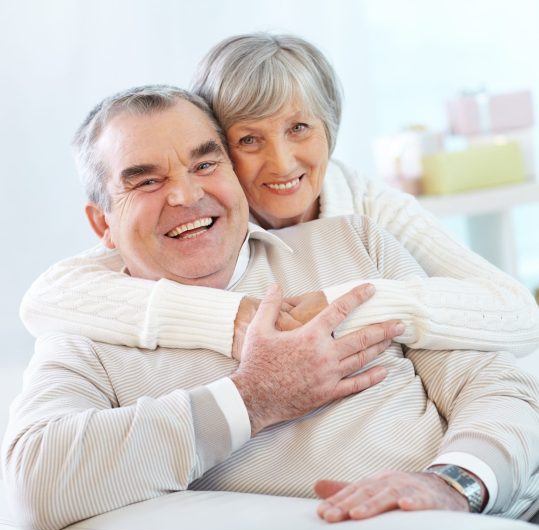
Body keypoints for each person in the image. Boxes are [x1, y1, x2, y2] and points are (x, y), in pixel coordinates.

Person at [3, 86, 538, 530]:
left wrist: (451, 482)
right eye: (146, 180)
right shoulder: (85, 335)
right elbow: (32, 483)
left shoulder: (354, 241)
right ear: (102, 225)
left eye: (205, 163)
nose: (187, 195)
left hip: (495, 505)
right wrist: (251, 400)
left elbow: (495, 386)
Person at [19, 33, 539, 362]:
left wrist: (345, 306)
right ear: (217, 150)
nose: (283, 163)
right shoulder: (196, 221)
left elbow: (517, 311)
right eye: (249, 139)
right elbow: (46, 299)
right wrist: (234, 319)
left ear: (329, 131)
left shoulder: (366, 205)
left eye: (299, 128)